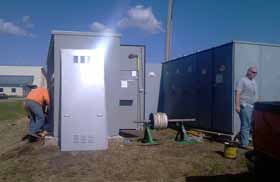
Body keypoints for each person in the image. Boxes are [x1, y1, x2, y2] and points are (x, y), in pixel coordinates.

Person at [235, 66, 258, 149]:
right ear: (248, 71)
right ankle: (244, 144)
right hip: (244, 105)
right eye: (253, 72)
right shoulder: (242, 80)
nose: (254, 74)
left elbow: (254, 94)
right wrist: (237, 105)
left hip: (252, 106)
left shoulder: (254, 81)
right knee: (246, 124)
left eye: (256, 73)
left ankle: (241, 139)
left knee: (249, 124)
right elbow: (237, 93)